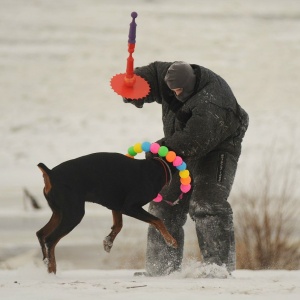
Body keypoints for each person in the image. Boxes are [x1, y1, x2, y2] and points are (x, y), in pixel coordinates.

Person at [122, 61, 249, 276]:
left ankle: (218, 269)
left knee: (207, 203)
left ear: (190, 85)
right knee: (163, 203)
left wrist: (160, 148)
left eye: (179, 90)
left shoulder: (212, 102)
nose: (174, 93)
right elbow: (150, 75)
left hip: (218, 147)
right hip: (181, 144)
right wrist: (133, 89)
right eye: (171, 89)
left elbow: (195, 140)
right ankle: (161, 269)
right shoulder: (173, 77)